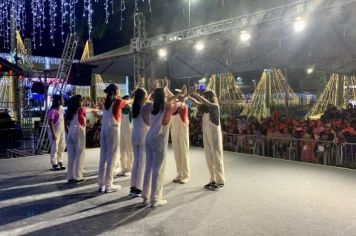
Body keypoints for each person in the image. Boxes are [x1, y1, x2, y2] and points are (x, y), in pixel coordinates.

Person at [142, 81, 186, 207]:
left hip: (149, 137)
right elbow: (176, 102)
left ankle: (145, 196)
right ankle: (155, 198)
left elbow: (170, 100)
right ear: (164, 97)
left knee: (149, 168)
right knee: (158, 169)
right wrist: (181, 94)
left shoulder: (152, 105)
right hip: (158, 139)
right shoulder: (167, 107)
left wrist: (174, 93)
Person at [98, 84, 133, 193]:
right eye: (118, 90)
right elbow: (128, 102)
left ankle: (101, 184)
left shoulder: (106, 104)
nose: (119, 92)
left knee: (103, 157)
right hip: (112, 129)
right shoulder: (118, 102)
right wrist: (135, 97)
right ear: (116, 91)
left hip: (103, 129)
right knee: (112, 157)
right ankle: (109, 184)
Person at [189, 89, 225, 190]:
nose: (203, 99)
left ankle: (220, 181)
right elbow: (196, 103)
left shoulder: (215, 106)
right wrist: (187, 96)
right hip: (207, 134)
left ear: (210, 97)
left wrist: (196, 94)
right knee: (209, 157)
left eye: (205, 96)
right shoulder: (205, 110)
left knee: (216, 156)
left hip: (214, 135)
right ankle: (213, 179)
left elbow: (207, 103)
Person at [65, 95, 99, 184]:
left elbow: (66, 123)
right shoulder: (81, 110)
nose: (83, 101)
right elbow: (90, 110)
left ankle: (70, 177)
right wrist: (97, 109)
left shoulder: (70, 111)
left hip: (71, 132)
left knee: (71, 156)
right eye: (82, 100)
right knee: (80, 154)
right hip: (78, 131)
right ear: (78, 102)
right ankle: (78, 177)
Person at [129, 88, 150, 197]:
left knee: (136, 161)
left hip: (134, 135)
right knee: (142, 162)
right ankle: (138, 188)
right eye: (145, 95)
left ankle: (133, 186)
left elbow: (146, 99)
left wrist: (149, 92)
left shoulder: (134, 106)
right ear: (143, 97)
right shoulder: (144, 107)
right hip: (142, 136)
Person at [171, 97, 190, 184]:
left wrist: (177, 102)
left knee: (184, 152)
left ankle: (186, 175)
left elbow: (180, 104)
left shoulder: (184, 106)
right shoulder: (174, 107)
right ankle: (179, 174)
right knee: (177, 153)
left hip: (182, 129)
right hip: (174, 129)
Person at [47, 94, 66, 171]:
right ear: (58, 101)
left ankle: (60, 161)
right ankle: (54, 164)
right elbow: (50, 122)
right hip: (54, 131)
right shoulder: (52, 111)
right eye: (62, 99)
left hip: (62, 130)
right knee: (55, 147)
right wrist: (53, 133)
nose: (63, 101)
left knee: (62, 146)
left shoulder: (61, 109)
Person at [117, 95, 134, 176]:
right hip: (122, 131)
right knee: (122, 150)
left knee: (129, 149)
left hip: (129, 131)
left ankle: (130, 168)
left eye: (126, 100)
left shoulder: (131, 108)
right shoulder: (121, 109)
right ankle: (123, 168)